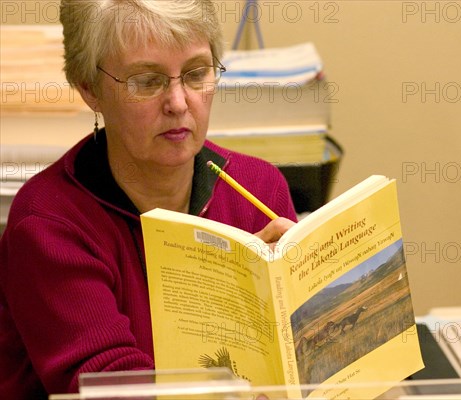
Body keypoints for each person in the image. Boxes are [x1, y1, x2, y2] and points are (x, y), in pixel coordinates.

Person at [0, 0, 297, 397]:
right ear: (90, 89)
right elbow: (111, 387)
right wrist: (227, 298)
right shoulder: (48, 223)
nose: (178, 103)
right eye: (147, 81)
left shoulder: (260, 187)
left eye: (196, 74)